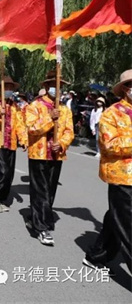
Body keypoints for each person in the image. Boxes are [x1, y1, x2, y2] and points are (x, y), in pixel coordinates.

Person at [83, 69, 132, 274]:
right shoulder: (112, 113)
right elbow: (109, 144)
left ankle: (97, 255)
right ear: (125, 89)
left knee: (117, 216)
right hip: (122, 175)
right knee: (129, 223)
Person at [24, 69, 74, 246]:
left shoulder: (65, 110)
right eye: (53, 86)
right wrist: (49, 119)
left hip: (56, 154)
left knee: (50, 190)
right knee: (40, 190)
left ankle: (38, 216)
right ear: (46, 86)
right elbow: (31, 128)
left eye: (59, 87)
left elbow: (69, 131)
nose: (56, 89)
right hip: (38, 154)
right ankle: (41, 227)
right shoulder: (35, 106)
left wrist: (61, 143)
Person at [0, 77, 27, 213]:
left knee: (9, 174)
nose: (8, 91)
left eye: (10, 88)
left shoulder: (14, 106)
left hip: (11, 143)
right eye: (6, 88)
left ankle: (2, 197)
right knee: (2, 171)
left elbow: (20, 124)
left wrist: (23, 139)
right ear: (0, 89)